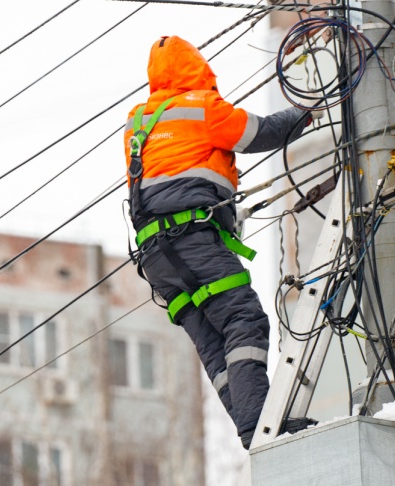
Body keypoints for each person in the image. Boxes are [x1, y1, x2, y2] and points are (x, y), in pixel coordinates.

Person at [124, 35, 311, 448]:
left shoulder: (137, 122)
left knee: (214, 340)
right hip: (192, 242)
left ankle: (253, 427)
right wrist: (307, 113)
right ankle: (261, 426)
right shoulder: (201, 107)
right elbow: (258, 134)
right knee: (243, 319)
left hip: (157, 259)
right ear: (198, 68)